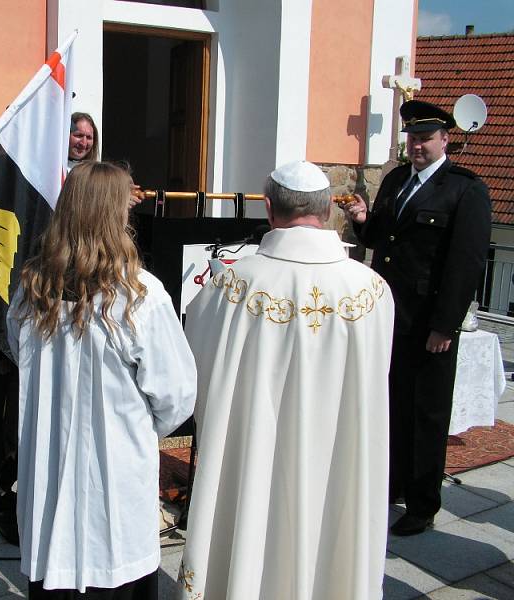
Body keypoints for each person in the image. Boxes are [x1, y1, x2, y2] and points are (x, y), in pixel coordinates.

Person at [179, 161, 395, 600]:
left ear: (269, 208)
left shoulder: (234, 286)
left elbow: (195, 368)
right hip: (338, 455)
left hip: (254, 455)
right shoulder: (372, 290)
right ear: (327, 208)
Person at [7, 161, 196, 599]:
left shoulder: (32, 287)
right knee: (114, 571)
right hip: (116, 467)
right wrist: (135, 427)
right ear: (115, 214)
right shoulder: (139, 296)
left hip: (49, 460)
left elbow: (20, 355)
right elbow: (175, 394)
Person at [342, 99, 492, 536]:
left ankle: (423, 504)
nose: (417, 146)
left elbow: (466, 265)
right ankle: (391, 484)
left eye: (425, 138)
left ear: (445, 138)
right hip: (389, 318)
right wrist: (361, 220)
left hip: (429, 324)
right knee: (390, 405)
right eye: (412, 138)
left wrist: (445, 326)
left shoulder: (464, 189)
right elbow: (379, 240)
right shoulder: (394, 181)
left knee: (426, 413)